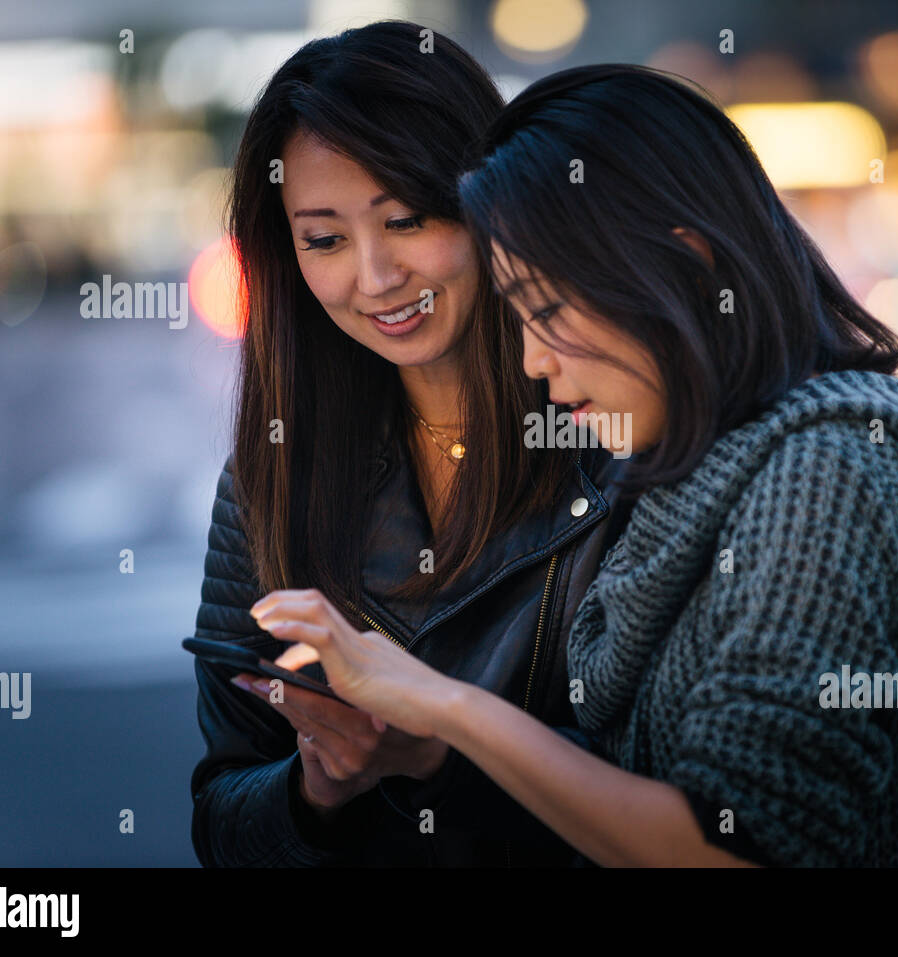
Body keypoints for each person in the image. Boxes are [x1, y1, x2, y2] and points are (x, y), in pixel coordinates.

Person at [251, 64, 898, 866]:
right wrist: (428, 750)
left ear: (686, 264)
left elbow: (735, 845)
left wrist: (448, 707)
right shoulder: (695, 468)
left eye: (547, 312)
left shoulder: (823, 474)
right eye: (517, 317)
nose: (534, 362)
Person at [188, 27, 632, 868]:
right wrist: (318, 785)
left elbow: (691, 798)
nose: (376, 275)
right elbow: (221, 814)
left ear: (494, 200)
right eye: (324, 239)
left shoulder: (619, 438)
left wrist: (439, 751)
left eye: (407, 218)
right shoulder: (271, 476)